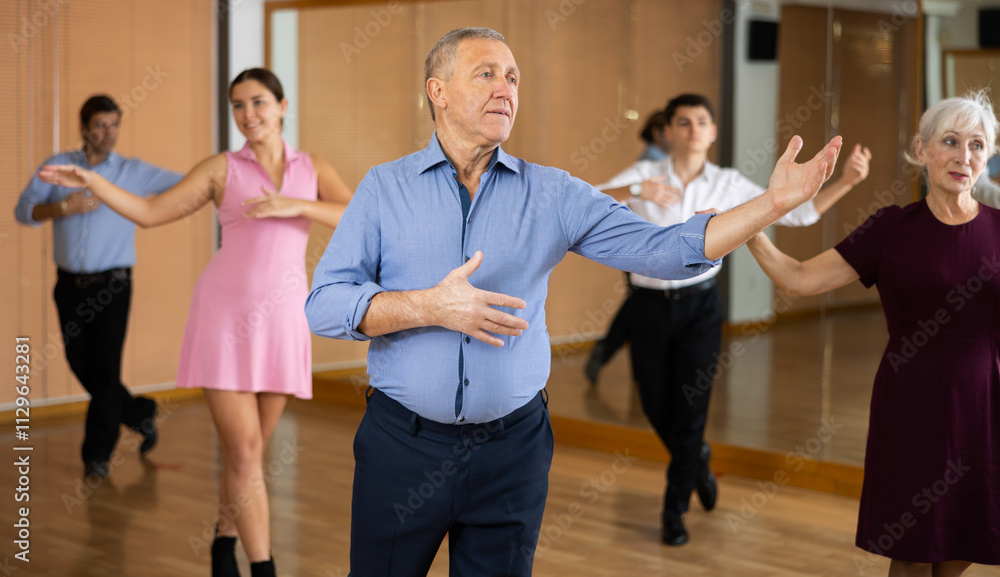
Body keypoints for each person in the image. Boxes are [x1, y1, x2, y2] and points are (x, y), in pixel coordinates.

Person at [304, 27, 842, 575]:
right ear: (436, 91)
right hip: (401, 449)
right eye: (486, 74)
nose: (505, 89)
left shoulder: (552, 193)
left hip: (512, 453)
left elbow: (663, 250)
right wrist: (429, 307)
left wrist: (772, 204)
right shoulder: (383, 189)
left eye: (513, 78)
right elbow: (323, 304)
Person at [38, 68, 353, 577]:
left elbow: (356, 214)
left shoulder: (312, 167)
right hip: (225, 321)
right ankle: (264, 567)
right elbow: (149, 211)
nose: (248, 114)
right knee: (245, 452)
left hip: (283, 321)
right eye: (238, 105)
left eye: (258, 102)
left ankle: (222, 543)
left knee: (248, 453)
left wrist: (294, 204)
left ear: (282, 105)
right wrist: (93, 180)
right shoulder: (221, 169)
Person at [583, 93, 872, 545]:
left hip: (700, 307)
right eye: (683, 122)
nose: (693, 129)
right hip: (647, 306)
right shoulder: (644, 175)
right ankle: (697, 460)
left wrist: (848, 182)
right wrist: (637, 192)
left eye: (701, 121)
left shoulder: (729, 183)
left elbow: (798, 214)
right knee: (656, 405)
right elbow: (586, 202)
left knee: (692, 408)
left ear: (713, 132)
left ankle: (674, 510)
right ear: (668, 131)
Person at [746, 91, 1000, 576]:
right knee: (910, 548)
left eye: (977, 145)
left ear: (987, 158)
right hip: (912, 402)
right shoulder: (891, 229)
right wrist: (748, 229)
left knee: (968, 535)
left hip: (985, 401)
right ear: (922, 150)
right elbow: (798, 278)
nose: (964, 156)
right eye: (950, 141)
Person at [14, 95, 183, 480]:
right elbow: (23, 211)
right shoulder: (58, 167)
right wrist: (63, 207)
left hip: (114, 286)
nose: (109, 133)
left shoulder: (133, 171)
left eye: (114, 124)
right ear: (84, 128)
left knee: (105, 369)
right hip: (68, 285)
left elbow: (189, 184)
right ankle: (139, 412)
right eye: (101, 125)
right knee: (81, 364)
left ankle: (97, 457)